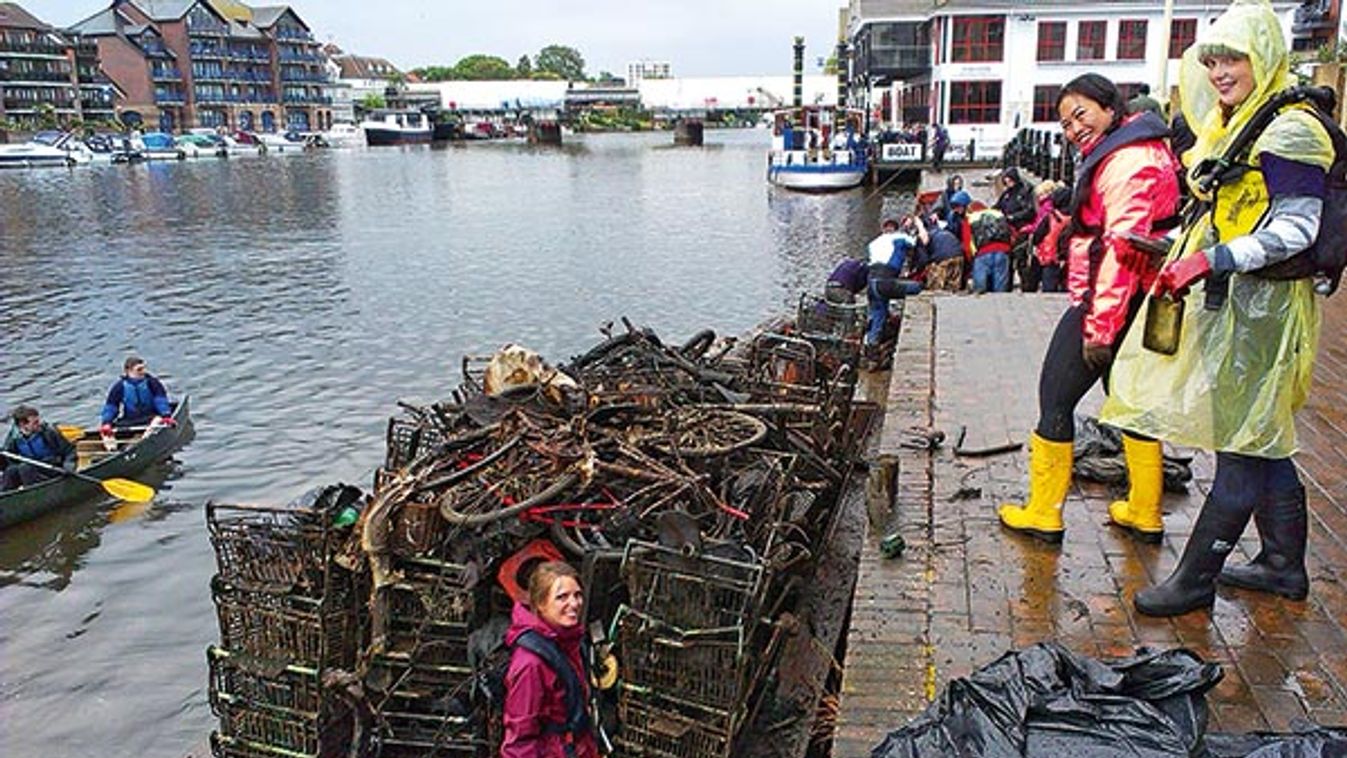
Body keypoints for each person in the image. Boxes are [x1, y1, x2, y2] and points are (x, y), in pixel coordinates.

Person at [1100, 0, 1334, 616]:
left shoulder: (1290, 130)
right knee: (1261, 436)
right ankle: (1283, 564)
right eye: (1212, 60)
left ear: (1264, 57)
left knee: (1244, 441)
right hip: (1241, 303)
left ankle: (1197, 575)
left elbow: (1296, 230)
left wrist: (1210, 260)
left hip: (1268, 310)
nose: (1220, 71)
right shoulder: (1242, 121)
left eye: (1233, 57)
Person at [997, 73, 1180, 543]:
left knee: (1055, 399)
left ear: (1109, 107)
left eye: (1081, 115)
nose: (1073, 129)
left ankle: (1044, 511)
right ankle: (1144, 510)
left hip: (1110, 303)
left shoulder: (1127, 161)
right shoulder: (1139, 149)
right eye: (1064, 122)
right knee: (1131, 405)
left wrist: (1098, 327)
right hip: (1138, 301)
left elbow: (1122, 249)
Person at [502, 561, 600, 758]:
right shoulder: (531, 664)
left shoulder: (569, 644)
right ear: (540, 604)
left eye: (578, 595)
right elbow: (519, 742)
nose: (574, 603)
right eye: (562, 597)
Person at [864, 219, 923, 363]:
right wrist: (919, 225)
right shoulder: (899, 237)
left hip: (871, 284)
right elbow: (916, 242)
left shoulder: (873, 243)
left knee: (878, 314)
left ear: (883, 229)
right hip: (886, 281)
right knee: (918, 288)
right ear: (895, 229)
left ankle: (872, 349)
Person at [2, 405, 77, 491]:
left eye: (38, 421)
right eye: (35, 423)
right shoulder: (14, 438)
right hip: (32, 470)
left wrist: (68, 465)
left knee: (25, 468)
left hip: (53, 468)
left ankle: (34, 494)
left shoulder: (49, 433)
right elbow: (9, 460)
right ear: (22, 425)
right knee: (11, 470)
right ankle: (4, 495)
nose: (39, 424)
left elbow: (70, 450)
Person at [100, 355, 174, 435]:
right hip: (130, 420)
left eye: (143, 368)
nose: (143, 372)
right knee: (106, 433)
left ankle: (146, 438)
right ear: (128, 371)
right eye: (139, 370)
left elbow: (160, 400)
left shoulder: (152, 383)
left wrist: (166, 414)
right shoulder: (119, 387)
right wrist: (106, 422)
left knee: (157, 422)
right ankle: (112, 447)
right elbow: (111, 407)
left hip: (152, 417)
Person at [1030, 183, 1072, 293]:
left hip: (1051, 256)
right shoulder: (1075, 217)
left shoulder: (1051, 216)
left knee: (1049, 287)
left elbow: (1038, 236)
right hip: (1071, 258)